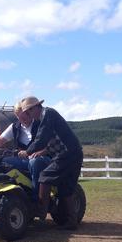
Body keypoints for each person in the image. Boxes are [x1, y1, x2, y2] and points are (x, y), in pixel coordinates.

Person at [20, 96, 84, 228]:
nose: (29, 115)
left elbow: (42, 138)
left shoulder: (48, 114)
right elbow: (55, 139)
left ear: (36, 108)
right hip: (72, 153)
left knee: (45, 177)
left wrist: (27, 152)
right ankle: (71, 221)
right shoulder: (47, 116)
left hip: (67, 154)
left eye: (29, 111)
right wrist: (42, 151)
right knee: (65, 187)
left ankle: (41, 215)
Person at [0, 101, 51, 203]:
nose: (22, 118)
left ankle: (37, 199)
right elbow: (0, 140)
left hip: (43, 159)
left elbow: (51, 143)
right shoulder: (15, 127)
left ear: (29, 112)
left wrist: (40, 152)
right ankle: (6, 194)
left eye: (24, 115)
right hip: (24, 160)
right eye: (18, 116)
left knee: (35, 162)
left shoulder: (40, 125)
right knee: (1, 161)